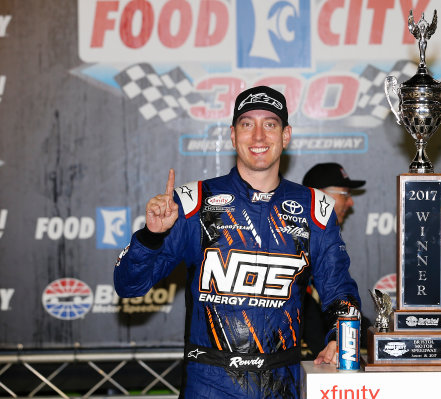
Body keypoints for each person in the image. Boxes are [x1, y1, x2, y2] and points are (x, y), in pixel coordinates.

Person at [114, 86, 361, 399]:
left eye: (269, 124)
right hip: (208, 385)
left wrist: (341, 336)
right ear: (233, 135)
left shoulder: (316, 209)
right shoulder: (192, 203)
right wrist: (151, 235)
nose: (258, 136)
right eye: (247, 124)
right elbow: (128, 285)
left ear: (286, 136)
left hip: (281, 386)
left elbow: (340, 291)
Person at [301, 163, 366, 358]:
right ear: (322, 197)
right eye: (344, 195)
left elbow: (338, 297)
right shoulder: (289, 242)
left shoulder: (330, 244)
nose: (350, 203)